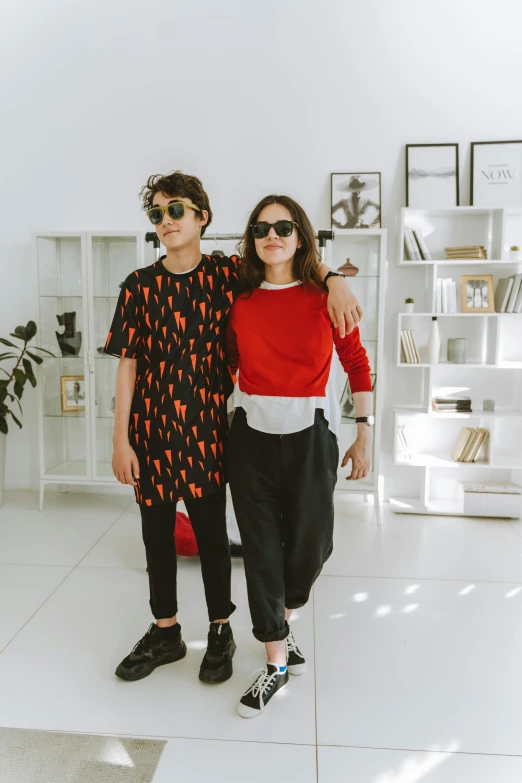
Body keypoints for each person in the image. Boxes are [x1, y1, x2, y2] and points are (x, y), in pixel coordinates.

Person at [104, 171, 363, 687]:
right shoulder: (138, 286)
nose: (166, 221)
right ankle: (165, 630)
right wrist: (119, 438)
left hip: (207, 429)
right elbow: (127, 365)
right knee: (155, 534)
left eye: (176, 210)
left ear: (202, 216)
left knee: (211, 535)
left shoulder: (228, 276)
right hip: (150, 430)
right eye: (157, 214)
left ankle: (219, 630)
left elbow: (289, 258)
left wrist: (335, 278)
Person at [226, 195, 374, 717]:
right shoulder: (236, 296)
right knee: (262, 551)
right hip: (250, 440)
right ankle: (275, 662)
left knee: (312, 545)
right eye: (262, 227)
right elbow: (225, 360)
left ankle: (282, 624)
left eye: (284, 226)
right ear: (251, 236)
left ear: (300, 235)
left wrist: (365, 432)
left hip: (312, 437)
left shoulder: (324, 295)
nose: (273, 234)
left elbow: (356, 362)